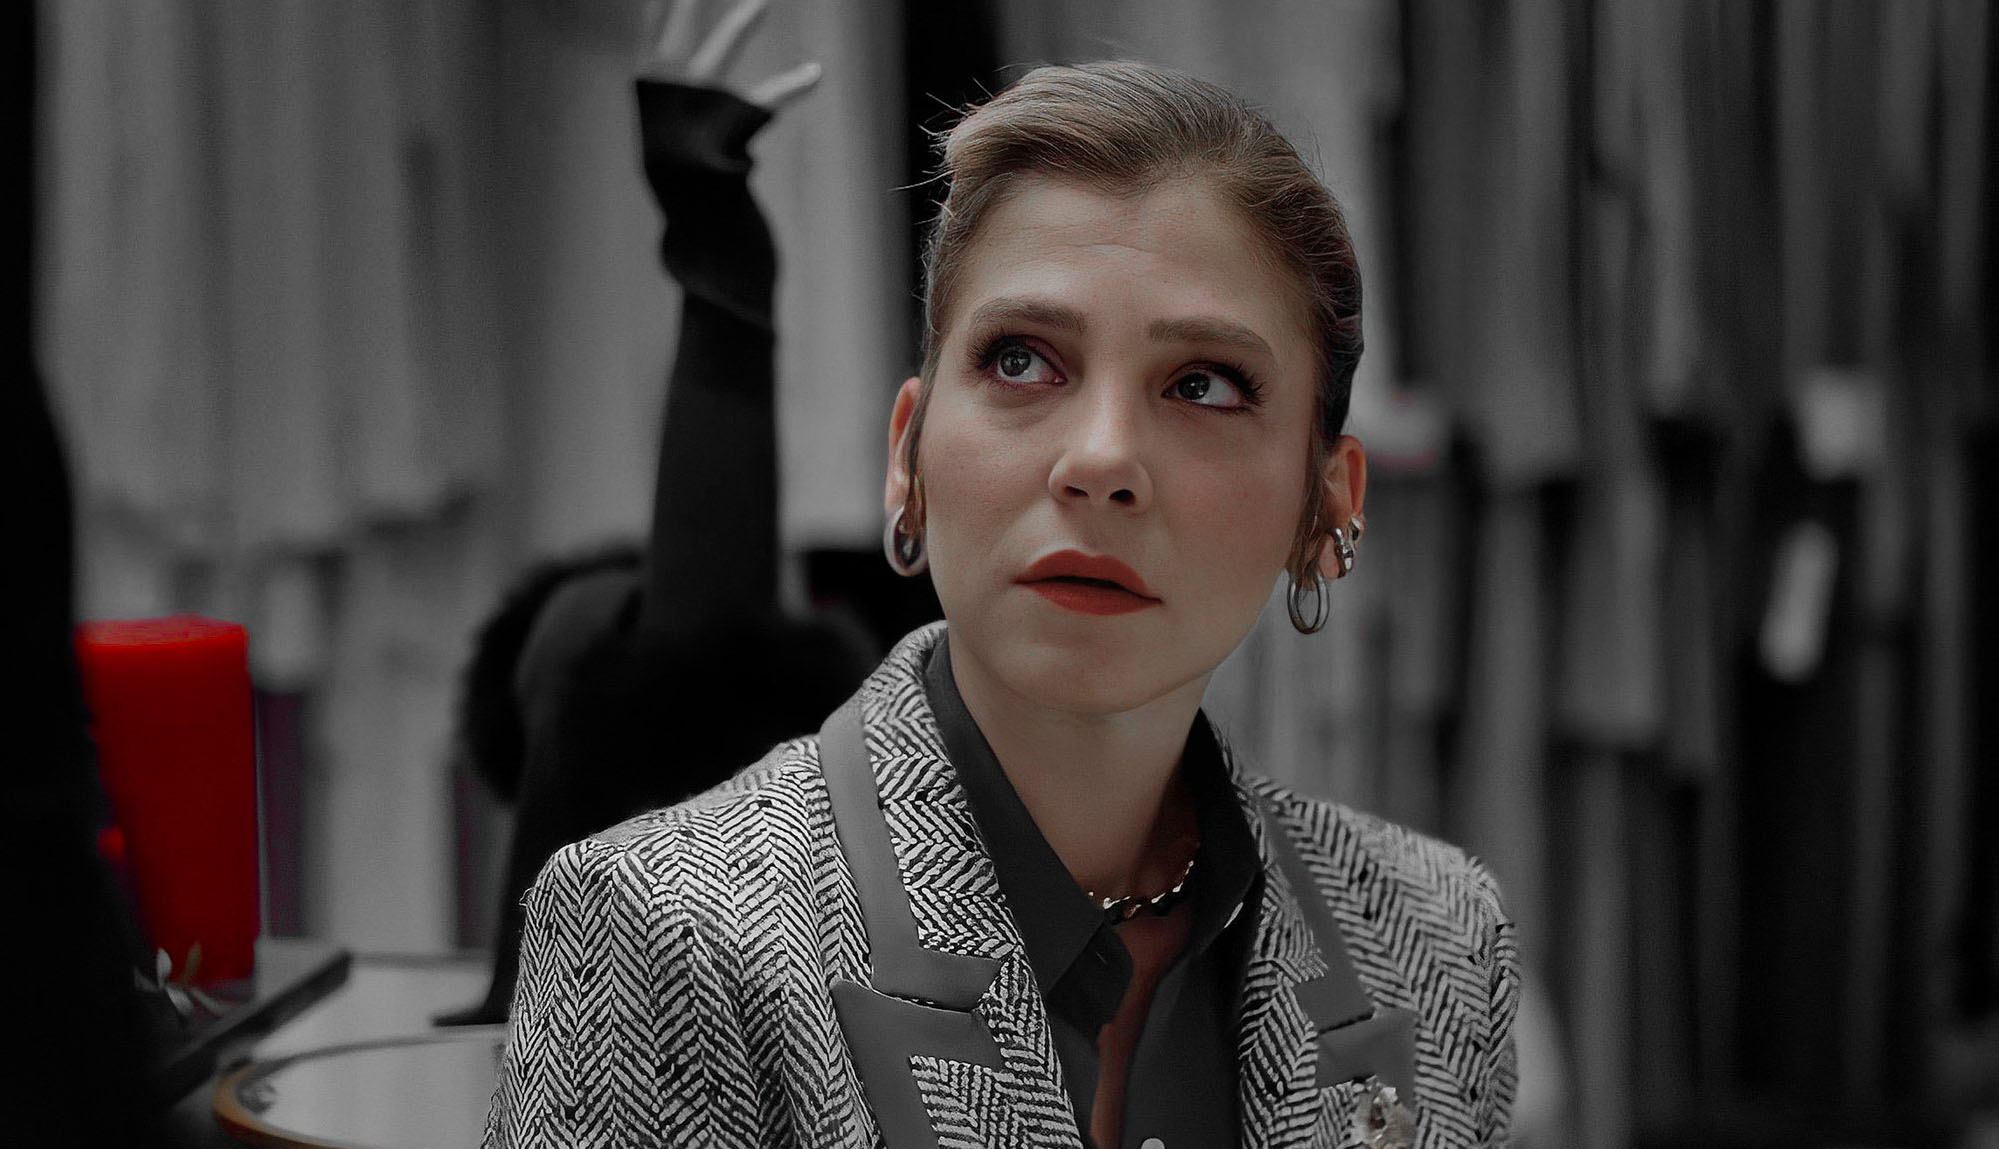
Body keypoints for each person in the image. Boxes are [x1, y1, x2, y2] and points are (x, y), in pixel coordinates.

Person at [487, 47, 1520, 1149]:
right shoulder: (667, 929)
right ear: (908, 457)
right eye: (1022, 361)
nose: (1102, 460)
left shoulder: (1437, 936)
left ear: (1326, 506)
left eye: (1203, 384)